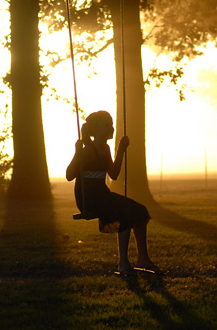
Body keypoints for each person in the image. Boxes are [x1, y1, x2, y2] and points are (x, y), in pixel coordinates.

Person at [66, 110, 157, 275]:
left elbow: (113, 174)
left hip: (103, 194)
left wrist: (121, 151)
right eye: (107, 125)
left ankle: (142, 258)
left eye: (112, 124)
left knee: (140, 211)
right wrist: (77, 152)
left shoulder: (105, 148)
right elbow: (69, 175)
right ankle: (123, 264)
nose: (112, 128)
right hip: (89, 198)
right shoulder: (88, 151)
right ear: (96, 129)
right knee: (125, 214)